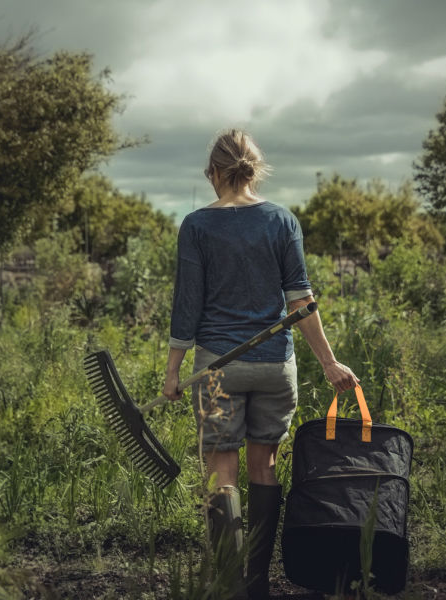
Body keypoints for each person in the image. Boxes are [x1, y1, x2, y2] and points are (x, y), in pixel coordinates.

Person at [163, 129, 359, 599]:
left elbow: (187, 306)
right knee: (264, 466)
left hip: (217, 371)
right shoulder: (282, 220)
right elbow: (301, 300)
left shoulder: (196, 225)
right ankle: (256, 585)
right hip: (276, 367)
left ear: (213, 173)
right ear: (254, 169)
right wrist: (329, 363)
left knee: (220, 470)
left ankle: (229, 586)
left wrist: (172, 371)